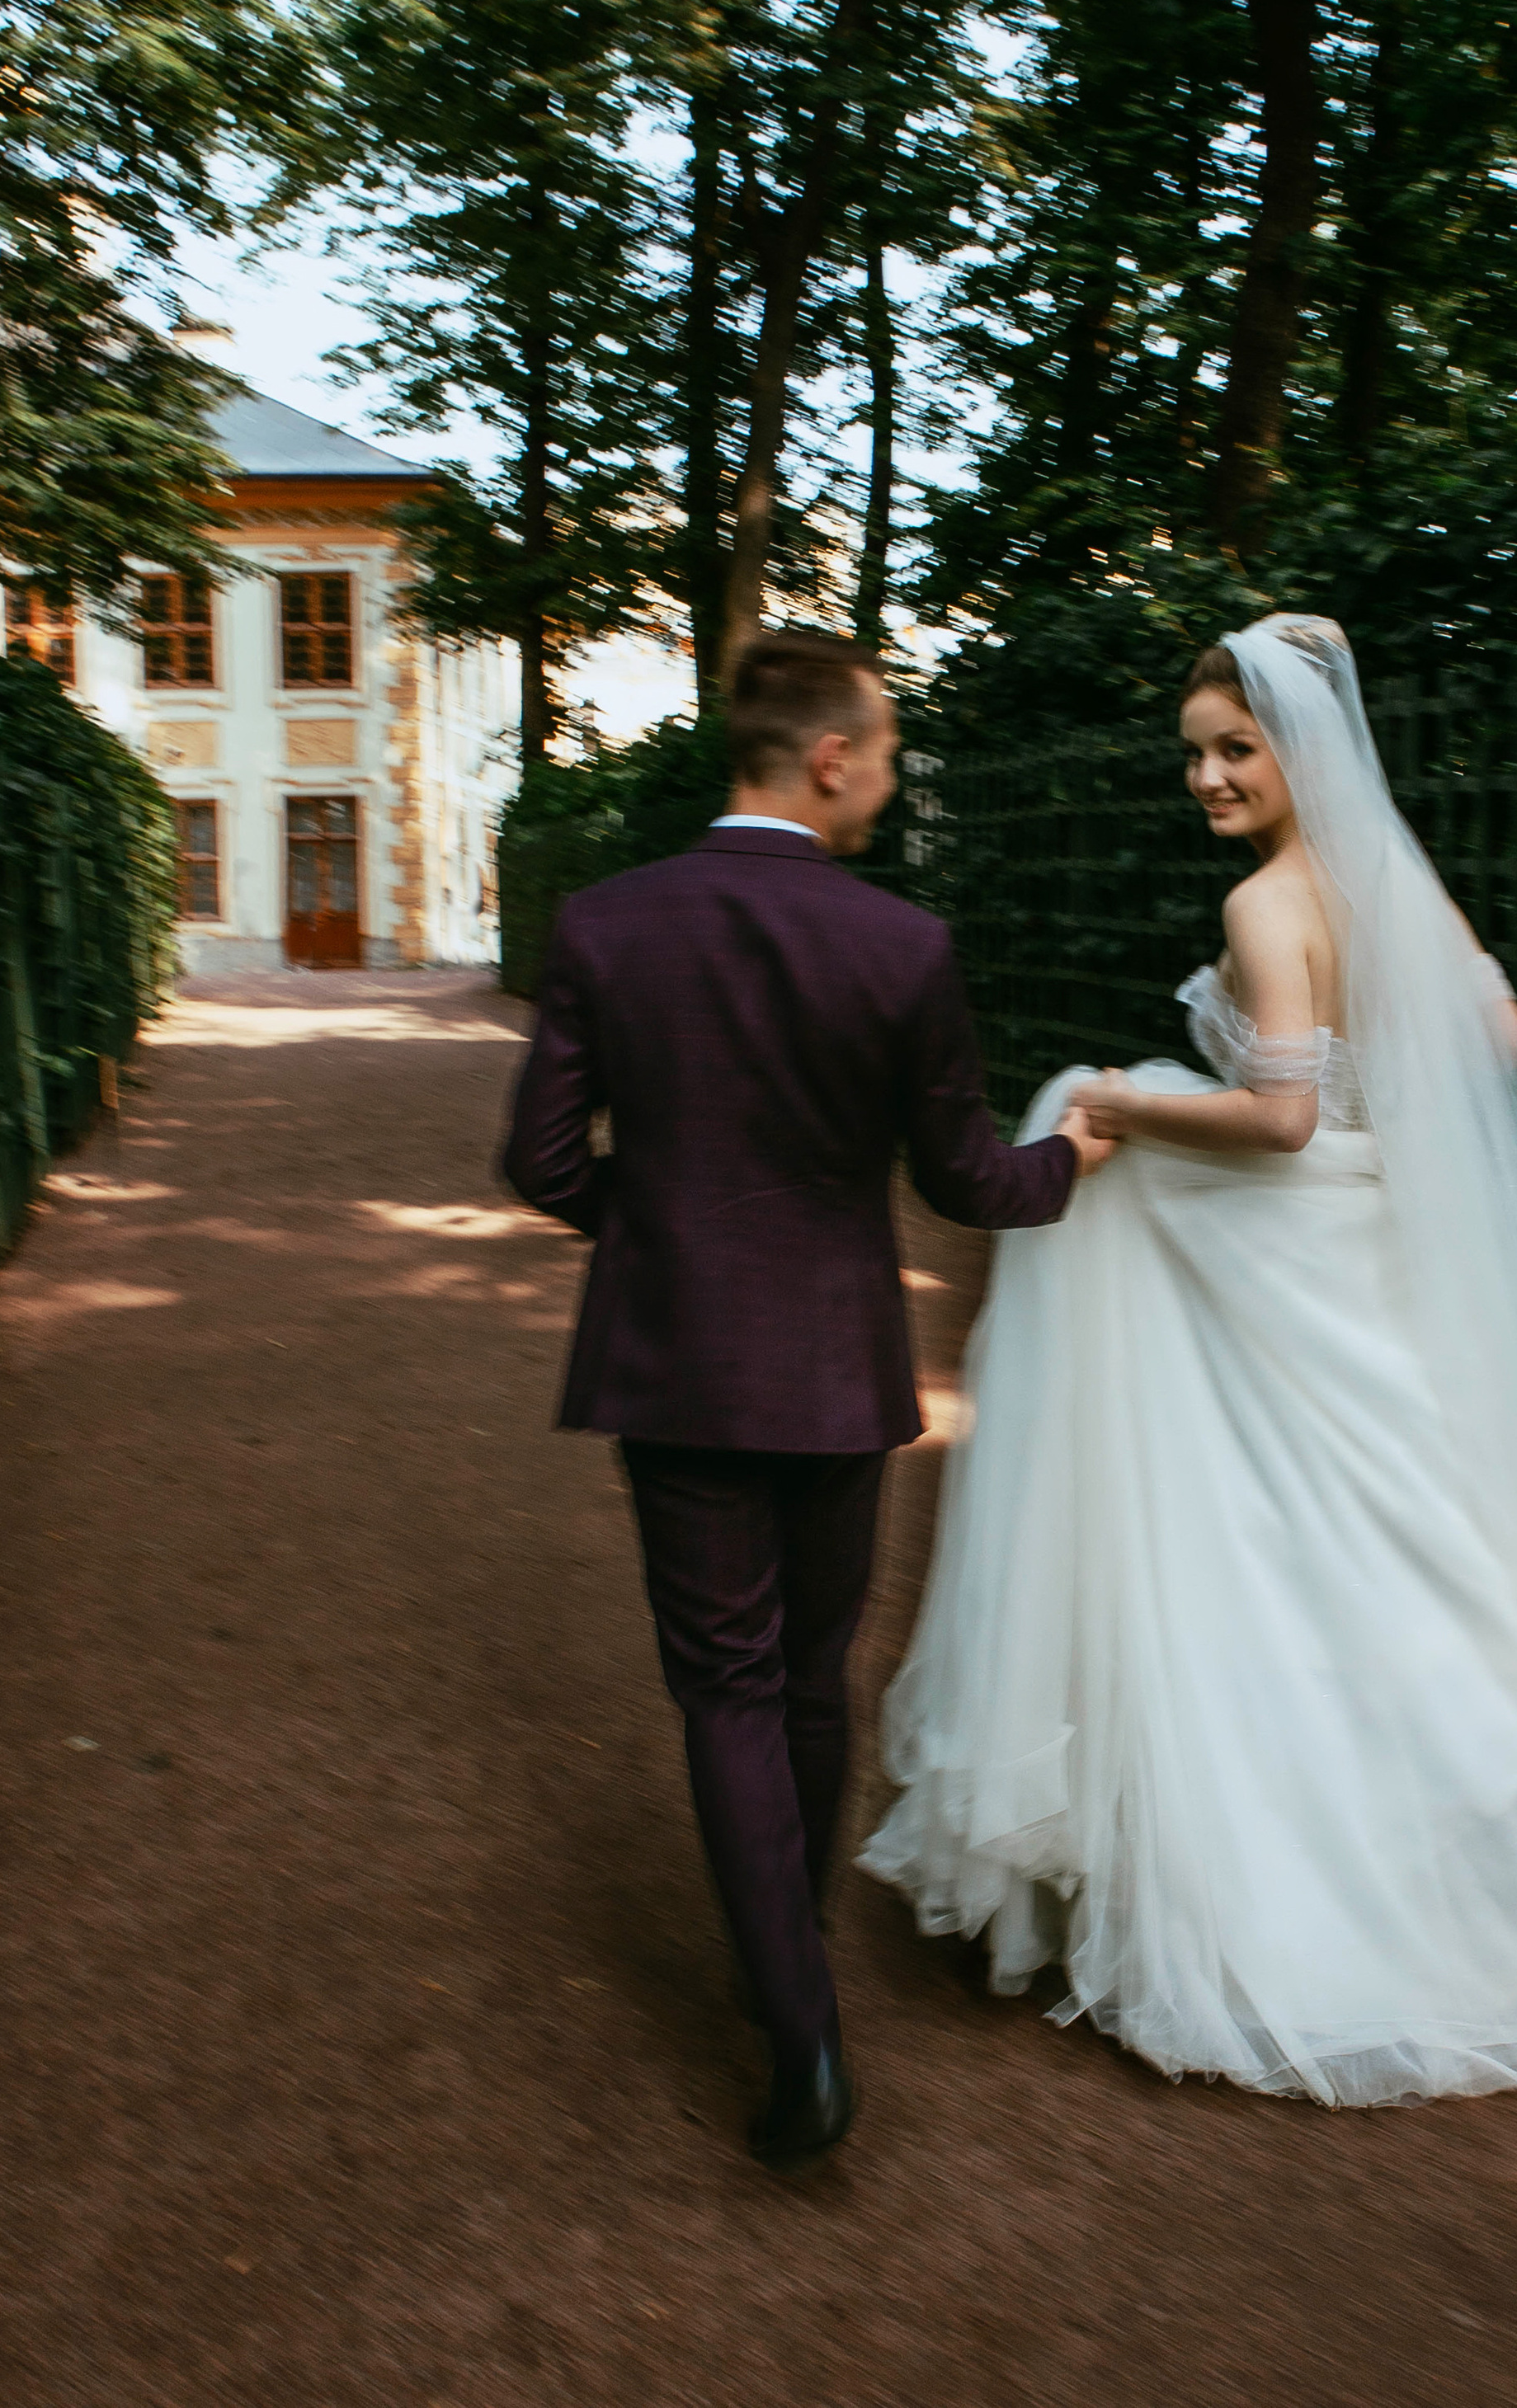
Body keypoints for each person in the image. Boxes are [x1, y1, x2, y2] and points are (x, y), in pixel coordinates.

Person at [862, 613, 1517, 2107]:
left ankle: (1326, 1891)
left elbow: (1276, 1123)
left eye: (1232, 748)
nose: (1206, 777)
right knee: (1437, 1533)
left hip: (1304, 1232)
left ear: (1296, 748)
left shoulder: (1272, 907)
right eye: (1195, 755)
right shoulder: (1395, 882)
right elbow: (1503, 1040)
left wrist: (1125, 1105)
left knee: (1286, 1539)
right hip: (1394, 1237)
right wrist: (1394, 1097)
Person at [503, 630, 1111, 2170]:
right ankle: (794, 1957)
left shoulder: (606, 920)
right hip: (836, 1367)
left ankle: (798, 2024)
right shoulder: (901, 945)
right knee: (811, 1680)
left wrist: (664, 1230)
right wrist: (1079, 1156)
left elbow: (543, 1159)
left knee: (722, 1684)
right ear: (829, 757)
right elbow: (969, 1178)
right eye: (890, 751)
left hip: (676, 1359)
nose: (892, 779)